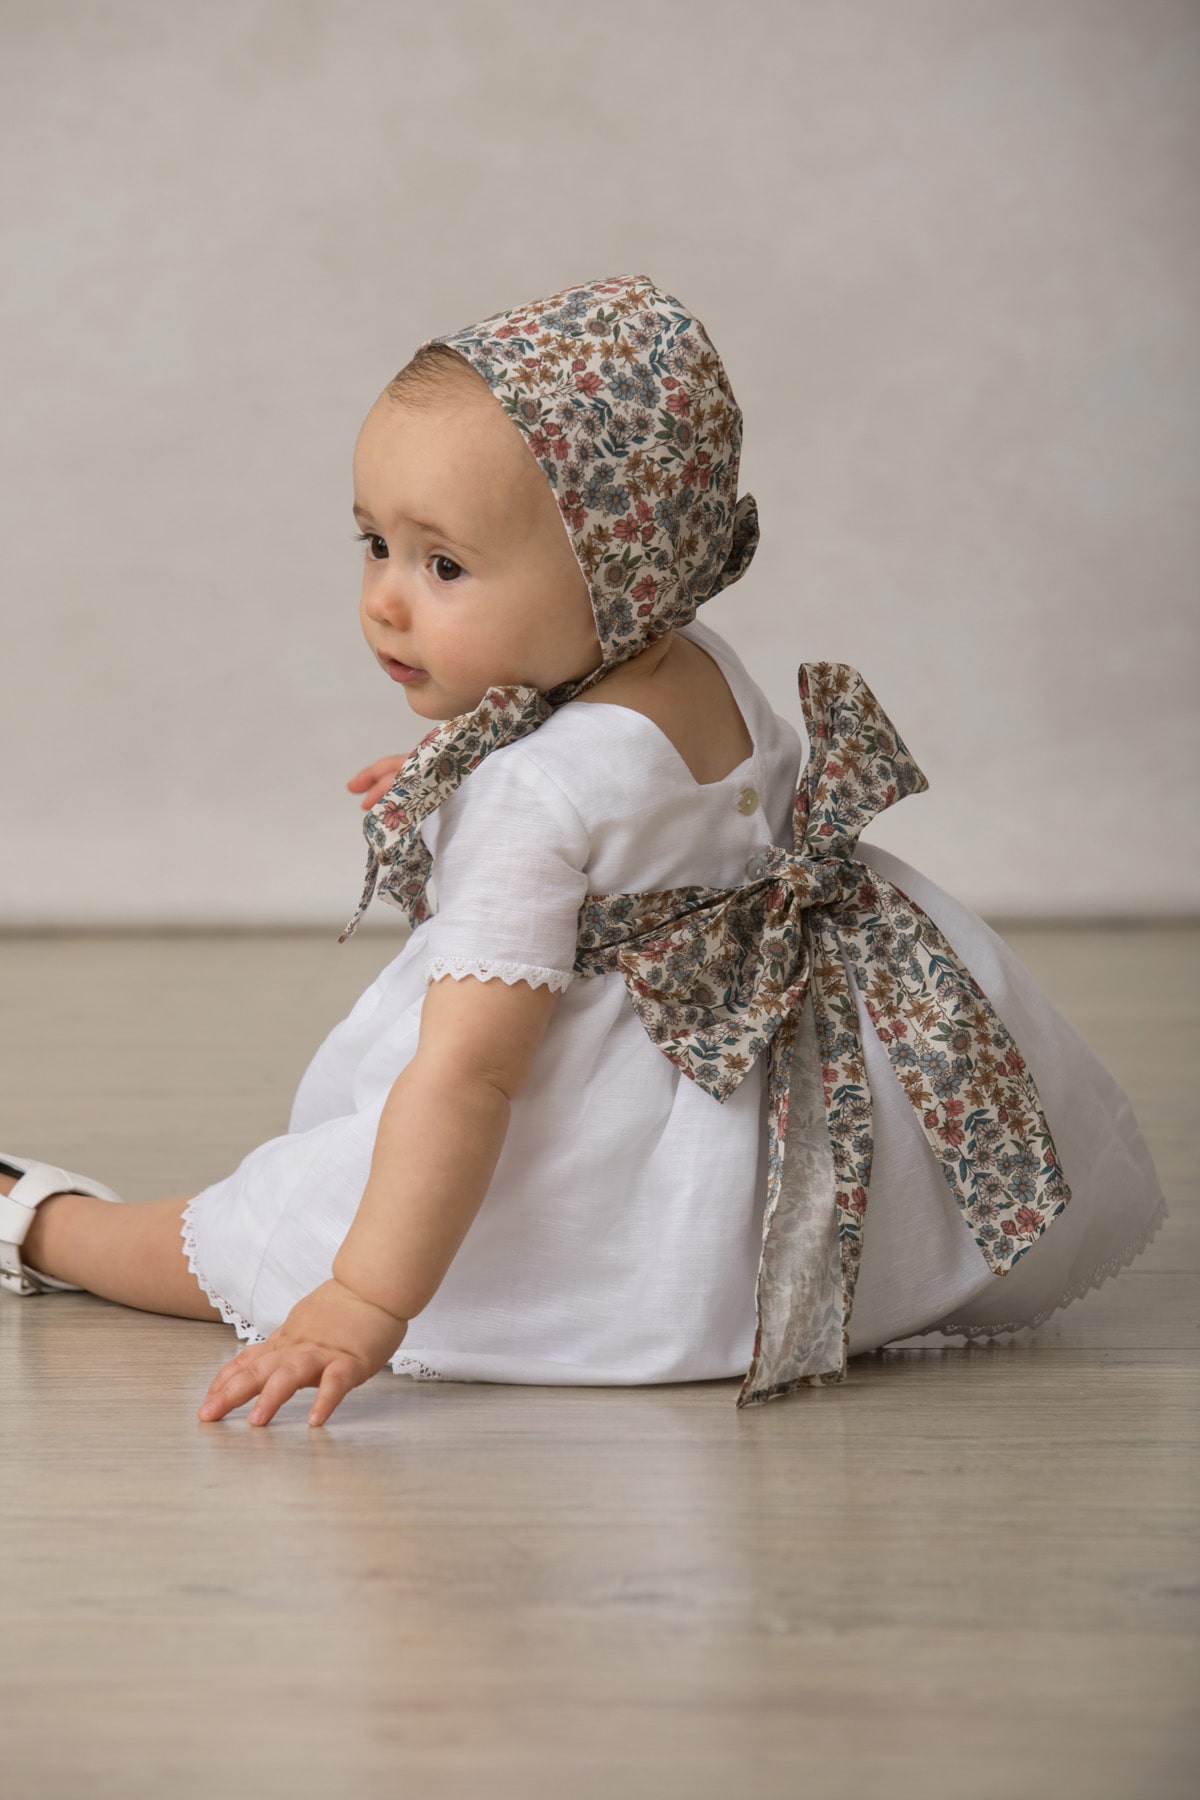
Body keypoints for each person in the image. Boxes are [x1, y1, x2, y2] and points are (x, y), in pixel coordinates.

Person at [0, 274, 1167, 1428]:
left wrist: (358, 1297)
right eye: (374, 544)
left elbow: (470, 1074)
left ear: (617, 571)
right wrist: (448, 771)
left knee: (255, 1231)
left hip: (582, 1150)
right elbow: (650, 809)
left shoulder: (532, 797)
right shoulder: (694, 662)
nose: (388, 602)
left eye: (443, 565)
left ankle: (46, 1224)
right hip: (738, 1141)